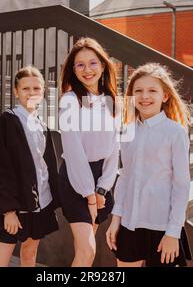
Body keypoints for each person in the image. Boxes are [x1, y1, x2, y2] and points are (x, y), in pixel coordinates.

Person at [106, 63, 192, 267]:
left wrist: (173, 232)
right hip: (129, 224)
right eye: (138, 91)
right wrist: (116, 219)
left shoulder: (175, 133)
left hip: (162, 227)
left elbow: (182, 185)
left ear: (165, 96)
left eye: (152, 90)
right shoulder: (127, 131)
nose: (145, 96)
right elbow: (125, 177)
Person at [0, 66, 59, 267]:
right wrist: (8, 211)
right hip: (15, 207)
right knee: (0, 261)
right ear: (16, 91)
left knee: (30, 253)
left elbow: (44, 166)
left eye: (36, 88)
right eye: (26, 89)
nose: (31, 93)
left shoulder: (41, 124)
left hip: (39, 202)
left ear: (43, 92)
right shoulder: (6, 123)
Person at [58, 37, 120, 267]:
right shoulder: (69, 100)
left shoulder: (113, 101)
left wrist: (103, 187)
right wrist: (89, 194)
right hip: (76, 179)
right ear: (73, 70)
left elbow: (115, 149)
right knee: (88, 251)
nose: (87, 70)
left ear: (103, 65)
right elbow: (73, 150)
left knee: (83, 250)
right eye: (80, 64)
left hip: (101, 179)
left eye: (93, 63)